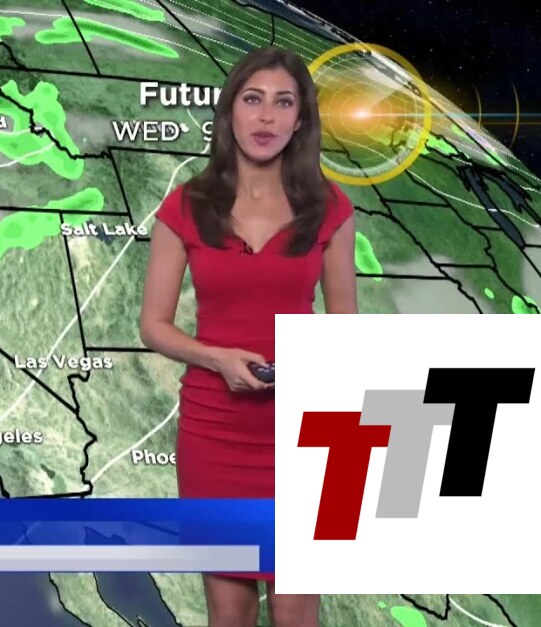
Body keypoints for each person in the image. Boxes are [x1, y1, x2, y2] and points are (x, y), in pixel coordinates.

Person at [139, 46, 358, 627]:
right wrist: (216, 359)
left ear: (301, 120)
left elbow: (346, 329)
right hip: (215, 433)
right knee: (229, 611)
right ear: (230, 111)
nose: (266, 117)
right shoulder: (186, 206)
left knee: (295, 609)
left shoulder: (330, 208)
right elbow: (154, 325)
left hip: (306, 430)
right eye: (253, 99)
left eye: (283, 103)